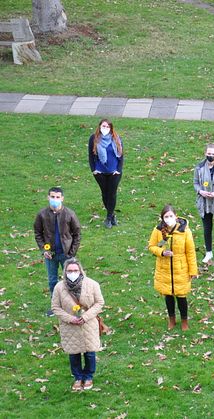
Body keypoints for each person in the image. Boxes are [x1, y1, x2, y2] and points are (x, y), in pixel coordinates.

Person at [51, 258, 104, 391]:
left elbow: (99, 303)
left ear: (80, 271)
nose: (73, 273)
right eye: (70, 271)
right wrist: (70, 319)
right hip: (69, 326)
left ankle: (89, 376)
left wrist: (85, 317)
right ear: (65, 272)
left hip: (88, 324)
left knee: (90, 352)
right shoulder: (59, 287)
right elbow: (55, 307)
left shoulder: (92, 284)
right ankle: (78, 377)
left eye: (75, 270)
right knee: (73, 352)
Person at [147, 205, 198, 331]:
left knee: (181, 297)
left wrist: (193, 271)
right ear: (162, 218)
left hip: (181, 269)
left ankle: (184, 320)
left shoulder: (185, 231)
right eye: (166, 217)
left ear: (176, 216)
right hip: (164, 269)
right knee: (168, 296)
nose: (169, 218)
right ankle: (172, 319)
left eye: (171, 216)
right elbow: (152, 246)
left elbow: (190, 252)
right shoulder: (158, 230)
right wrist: (162, 252)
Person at [34, 186, 81, 316]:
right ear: (48, 197)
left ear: (62, 198)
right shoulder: (42, 215)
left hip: (66, 254)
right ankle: (56, 307)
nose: (55, 199)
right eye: (52, 197)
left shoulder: (69, 214)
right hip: (51, 256)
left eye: (57, 197)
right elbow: (38, 232)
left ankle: (74, 306)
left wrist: (71, 253)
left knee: (72, 280)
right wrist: (44, 249)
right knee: (52, 281)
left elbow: (77, 234)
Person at [88, 118, 123, 228]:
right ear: (99, 127)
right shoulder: (94, 138)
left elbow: (121, 155)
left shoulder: (116, 138)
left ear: (111, 128)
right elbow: (91, 155)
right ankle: (111, 216)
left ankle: (108, 218)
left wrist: (118, 170)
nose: (105, 128)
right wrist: (94, 170)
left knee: (112, 193)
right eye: (103, 126)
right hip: (100, 172)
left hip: (114, 172)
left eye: (107, 127)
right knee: (105, 193)